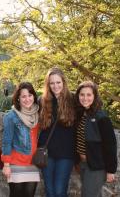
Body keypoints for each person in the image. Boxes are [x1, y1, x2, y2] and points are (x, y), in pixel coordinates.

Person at [38, 67, 76, 197]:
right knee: (50, 191)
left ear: (64, 82)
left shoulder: (73, 100)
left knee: (60, 191)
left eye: (58, 82)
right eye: (52, 83)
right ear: (48, 84)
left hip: (66, 154)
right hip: (46, 153)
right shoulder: (42, 100)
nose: (55, 86)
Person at [75, 81, 117, 197]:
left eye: (89, 95)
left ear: (95, 96)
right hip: (82, 164)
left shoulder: (101, 117)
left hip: (96, 166)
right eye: (82, 95)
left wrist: (111, 170)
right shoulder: (80, 114)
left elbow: (110, 145)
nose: (85, 98)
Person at [1, 82, 40, 197]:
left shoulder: (38, 114)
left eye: (30, 95)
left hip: (33, 162)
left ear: (34, 96)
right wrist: (6, 165)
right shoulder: (11, 116)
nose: (27, 99)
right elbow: (6, 141)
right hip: (16, 163)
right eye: (23, 96)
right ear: (18, 98)